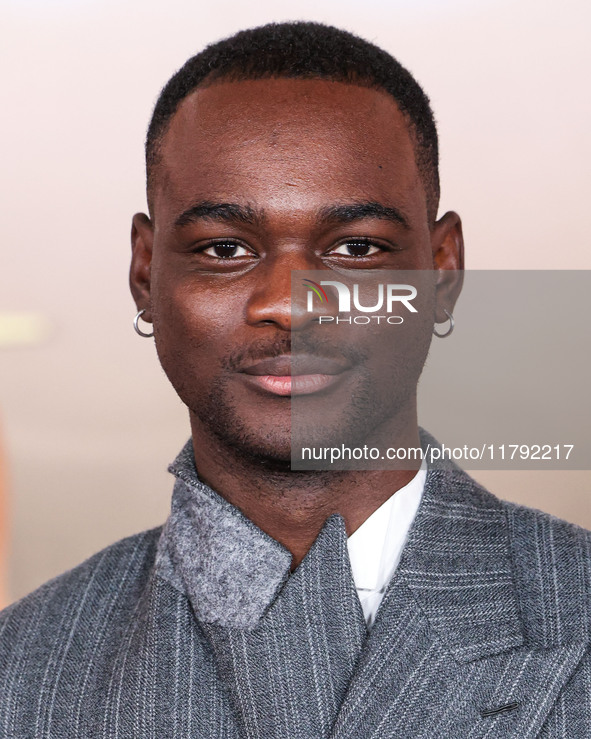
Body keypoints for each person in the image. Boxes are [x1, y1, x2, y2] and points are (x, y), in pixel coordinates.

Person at [1, 21, 590, 738]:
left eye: (354, 248)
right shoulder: (18, 669)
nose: (287, 300)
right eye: (223, 248)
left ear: (442, 271)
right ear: (145, 273)